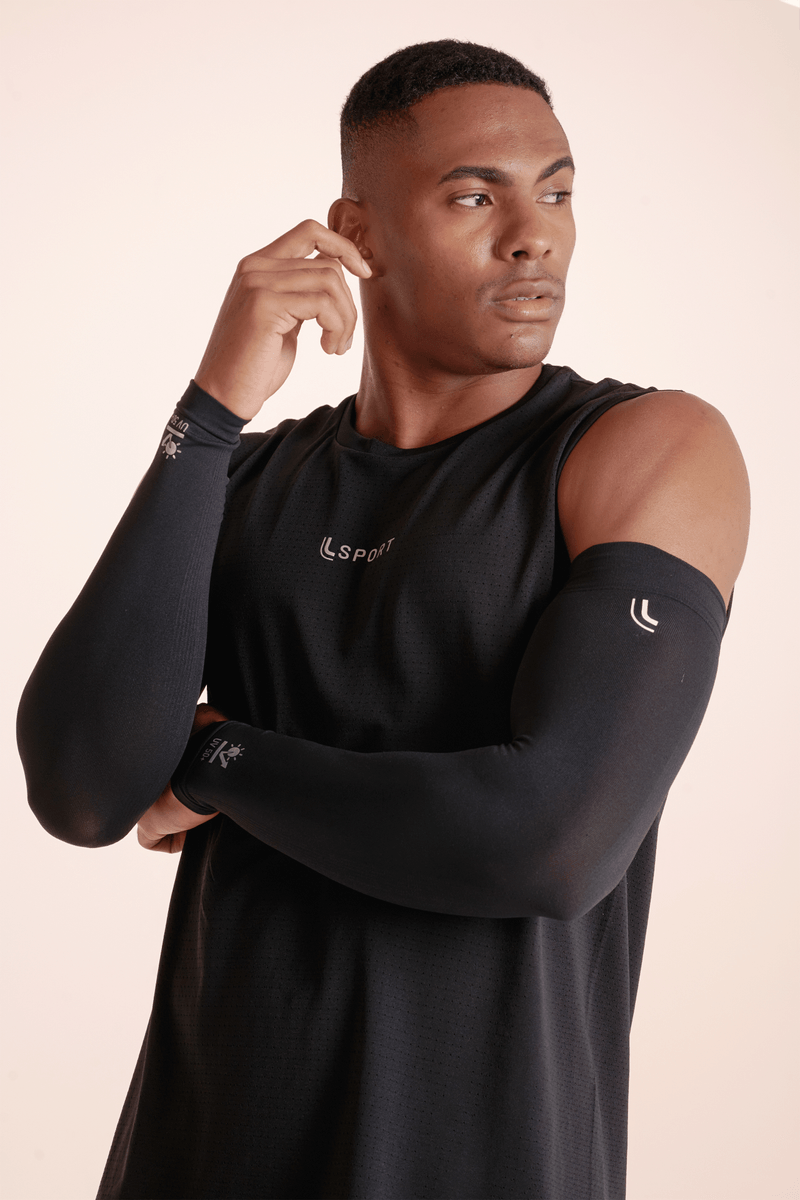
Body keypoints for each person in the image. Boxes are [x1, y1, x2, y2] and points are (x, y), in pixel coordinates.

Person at [17, 39, 749, 1200]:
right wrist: (209, 414)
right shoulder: (247, 478)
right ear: (355, 233)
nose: (534, 235)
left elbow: (551, 838)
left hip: (484, 1165)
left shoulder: (640, 449)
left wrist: (212, 756)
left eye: (556, 191)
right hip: (198, 1155)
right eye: (474, 196)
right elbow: (80, 789)